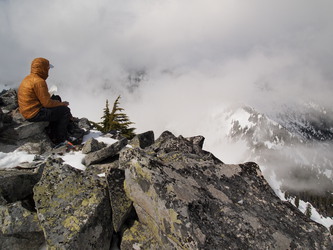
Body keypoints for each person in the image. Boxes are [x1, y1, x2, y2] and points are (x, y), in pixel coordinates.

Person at [18, 57, 71, 145]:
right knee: (65, 111)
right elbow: (47, 103)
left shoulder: (28, 78)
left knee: (56, 98)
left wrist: (57, 102)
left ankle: (54, 129)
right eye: (47, 68)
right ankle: (59, 138)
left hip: (27, 109)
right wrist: (62, 104)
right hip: (34, 113)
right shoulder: (39, 81)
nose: (48, 70)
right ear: (42, 68)